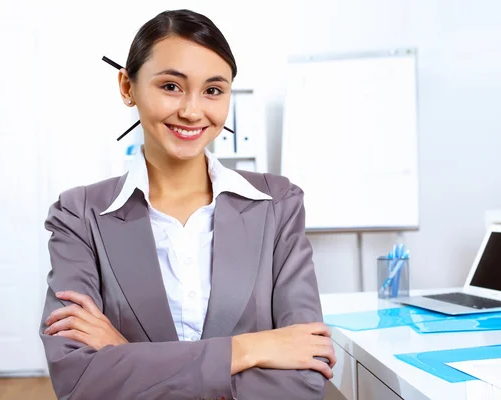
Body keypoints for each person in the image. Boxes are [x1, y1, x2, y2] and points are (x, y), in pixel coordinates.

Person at [39, 9, 335, 400]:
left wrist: (127, 357)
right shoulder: (79, 215)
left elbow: (305, 375)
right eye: (171, 87)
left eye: (213, 90)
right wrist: (248, 349)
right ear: (127, 87)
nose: (192, 111)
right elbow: (79, 381)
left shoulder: (277, 205)